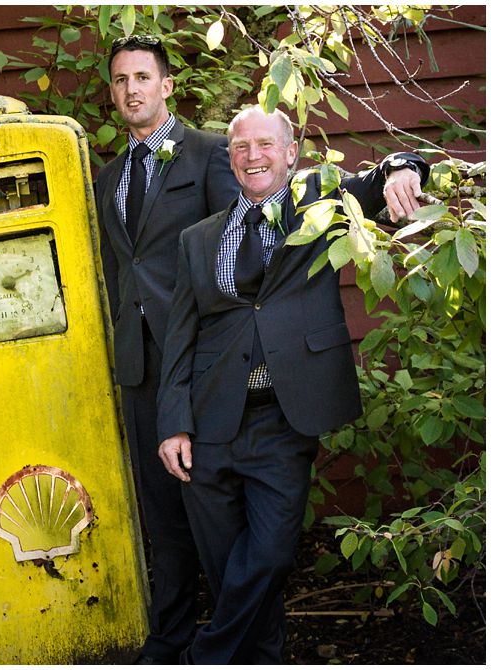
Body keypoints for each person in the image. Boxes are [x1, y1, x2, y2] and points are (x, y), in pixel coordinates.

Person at [157, 106, 427, 663]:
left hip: (282, 417)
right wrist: (173, 423)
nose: (252, 155)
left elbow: (382, 178)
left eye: (264, 145)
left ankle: (202, 657)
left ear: (289, 153)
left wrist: (406, 168)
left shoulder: (320, 214)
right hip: (207, 424)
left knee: (271, 557)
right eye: (240, 147)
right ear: (229, 158)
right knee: (232, 569)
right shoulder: (198, 240)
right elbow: (180, 338)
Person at [94, 35, 239, 664]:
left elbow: (235, 257)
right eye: (121, 80)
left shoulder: (208, 154)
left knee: (212, 505)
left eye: (143, 77)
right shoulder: (107, 176)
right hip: (141, 365)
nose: (132, 89)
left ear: (167, 85)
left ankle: (239, 637)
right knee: (162, 512)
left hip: (202, 362)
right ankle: (171, 636)